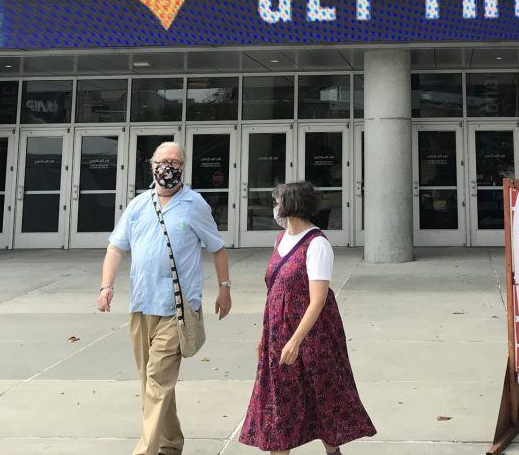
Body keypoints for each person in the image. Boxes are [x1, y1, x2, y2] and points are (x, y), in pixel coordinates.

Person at [97, 141, 232, 455]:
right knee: (150, 381)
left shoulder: (194, 204)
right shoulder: (139, 205)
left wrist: (224, 287)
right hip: (142, 305)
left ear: (183, 168)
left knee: (158, 378)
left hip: (177, 308)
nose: (168, 166)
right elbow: (116, 247)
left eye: (175, 162)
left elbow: (217, 247)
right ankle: (171, 443)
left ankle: (146, 449)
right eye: (163, 160)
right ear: (152, 165)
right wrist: (106, 286)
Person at [240, 181, 376, 455]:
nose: (275, 207)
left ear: (291, 206)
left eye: (278, 201)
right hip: (278, 334)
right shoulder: (280, 240)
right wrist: (264, 337)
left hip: (311, 336)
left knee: (321, 399)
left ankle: (332, 450)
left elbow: (318, 300)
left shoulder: (317, 245)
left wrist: (296, 341)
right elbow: (275, 293)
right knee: (280, 406)